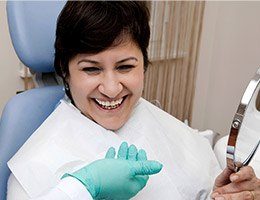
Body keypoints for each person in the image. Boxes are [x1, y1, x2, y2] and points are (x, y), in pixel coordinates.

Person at [6, 1, 260, 200]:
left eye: (125, 67)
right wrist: (84, 189)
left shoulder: (159, 120)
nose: (111, 88)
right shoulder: (33, 169)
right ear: (65, 71)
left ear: (144, 66)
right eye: (91, 69)